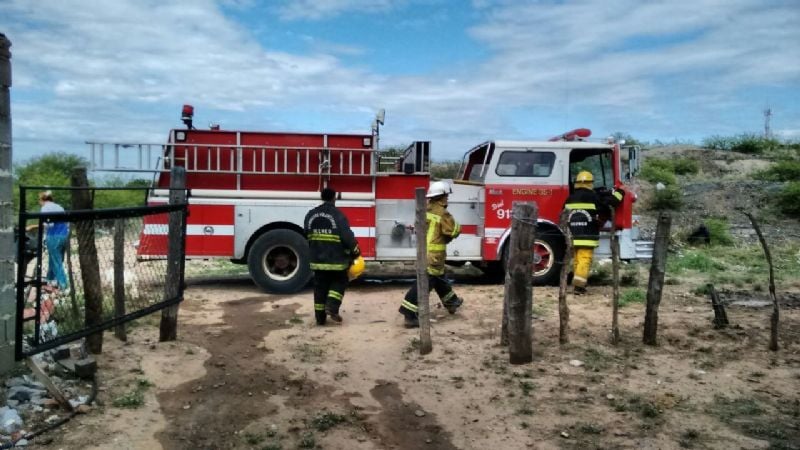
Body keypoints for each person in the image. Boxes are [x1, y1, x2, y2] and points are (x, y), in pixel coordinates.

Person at [399, 180, 463, 328]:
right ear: (441, 197)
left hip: (425, 251)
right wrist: (459, 227)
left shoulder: (425, 209)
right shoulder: (443, 213)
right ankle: (409, 313)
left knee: (438, 277)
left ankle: (451, 302)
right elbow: (452, 231)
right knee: (427, 281)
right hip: (435, 254)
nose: (447, 198)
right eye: (446, 196)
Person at [304, 187, 360, 325]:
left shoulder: (311, 214)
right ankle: (332, 306)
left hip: (317, 260)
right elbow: (347, 237)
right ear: (334, 198)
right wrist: (355, 251)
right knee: (340, 281)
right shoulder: (338, 215)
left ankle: (320, 318)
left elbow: (307, 233)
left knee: (320, 288)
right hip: (336, 260)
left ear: (322, 197)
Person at [563, 171, 625, 294]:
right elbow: (611, 203)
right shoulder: (594, 197)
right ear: (590, 183)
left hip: (572, 234)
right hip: (587, 234)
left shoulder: (570, 198)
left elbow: (563, 214)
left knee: (577, 259)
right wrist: (620, 192)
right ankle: (579, 286)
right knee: (584, 258)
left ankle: (577, 282)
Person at [26, 191, 69, 291]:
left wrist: (32, 226)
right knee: (54, 260)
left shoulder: (45, 208)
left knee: (56, 261)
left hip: (54, 236)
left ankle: (63, 285)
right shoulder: (59, 207)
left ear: (42, 200)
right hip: (64, 235)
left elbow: (48, 224)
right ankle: (50, 281)